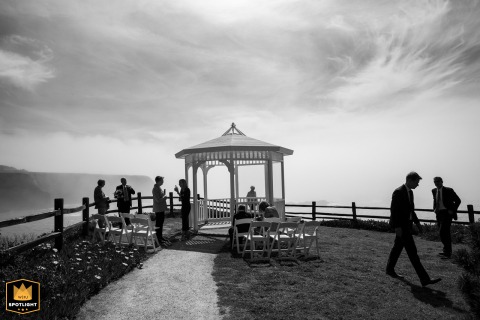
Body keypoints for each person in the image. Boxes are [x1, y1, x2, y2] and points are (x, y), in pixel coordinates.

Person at [386, 171, 442, 287]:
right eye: (417, 182)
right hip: (402, 227)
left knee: (397, 248)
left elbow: (411, 210)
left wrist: (417, 223)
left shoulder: (410, 193)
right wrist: (397, 227)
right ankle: (424, 279)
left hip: (407, 226)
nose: (418, 184)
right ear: (410, 180)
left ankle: (389, 270)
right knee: (413, 253)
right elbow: (394, 211)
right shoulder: (398, 192)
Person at [432, 177, 461, 259]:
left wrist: (452, 210)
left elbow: (458, 200)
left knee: (443, 232)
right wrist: (434, 208)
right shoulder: (434, 191)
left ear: (442, 181)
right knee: (443, 233)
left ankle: (448, 253)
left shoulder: (449, 190)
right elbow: (435, 200)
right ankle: (446, 251)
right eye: (435, 182)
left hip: (447, 213)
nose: (436, 183)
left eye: (438, 181)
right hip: (439, 213)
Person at [153, 176, 170, 246]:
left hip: (161, 209)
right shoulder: (155, 189)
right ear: (159, 181)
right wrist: (164, 197)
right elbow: (157, 200)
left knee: (161, 223)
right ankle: (158, 238)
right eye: (162, 180)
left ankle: (160, 237)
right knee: (158, 224)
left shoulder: (159, 188)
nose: (163, 181)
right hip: (158, 209)